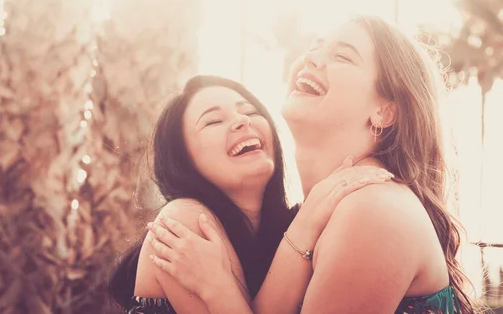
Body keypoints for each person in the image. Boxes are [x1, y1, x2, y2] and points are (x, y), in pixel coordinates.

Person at [147, 15, 477, 313]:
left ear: (384, 111)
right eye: (315, 47)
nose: (311, 58)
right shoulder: (318, 215)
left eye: (343, 55)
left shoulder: (372, 210)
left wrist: (217, 289)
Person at [108, 75, 391, 313]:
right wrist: (217, 288)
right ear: (183, 159)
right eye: (213, 121)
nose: (242, 121)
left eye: (250, 112)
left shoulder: (295, 225)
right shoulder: (182, 223)